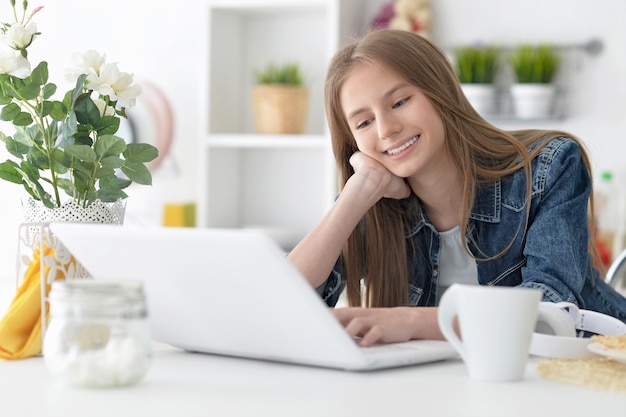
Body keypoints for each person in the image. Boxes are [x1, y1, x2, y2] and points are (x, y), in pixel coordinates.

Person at [287, 29, 626, 347]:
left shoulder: (548, 166)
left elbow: (549, 311)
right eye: (364, 122)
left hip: (596, 369)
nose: (386, 129)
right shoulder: (370, 200)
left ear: (439, 92)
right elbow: (284, 302)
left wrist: (410, 321)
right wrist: (357, 190)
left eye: (400, 102)